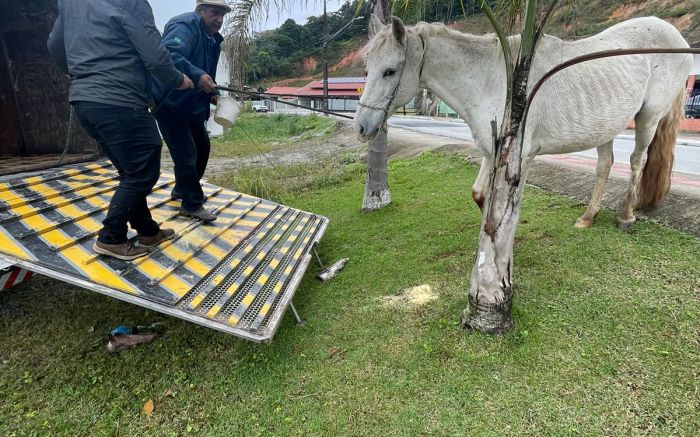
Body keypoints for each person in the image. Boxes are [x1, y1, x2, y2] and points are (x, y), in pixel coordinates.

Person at [47, 0, 194, 260]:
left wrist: (78, 74)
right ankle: (111, 237)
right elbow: (154, 53)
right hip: (121, 100)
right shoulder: (131, 2)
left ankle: (148, 231)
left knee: (130, 172)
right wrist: (177, 79)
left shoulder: (72, 3)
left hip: (85, 102)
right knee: (142, 172)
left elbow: (55, 45)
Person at [152, 0, 231, 222]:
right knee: (185, 153)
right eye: (214, 13)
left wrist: (212, 93)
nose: (219, 19)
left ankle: (181, 189)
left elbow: (207, 73)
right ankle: (191, 204)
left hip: (193, 103)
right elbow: (170, 54)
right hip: (169, 101)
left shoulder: (212, 39)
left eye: (222, 16)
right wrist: (197, 75)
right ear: (200, 11)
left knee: (202, 148)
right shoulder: (183, 25)